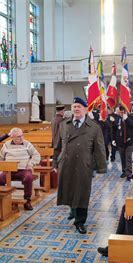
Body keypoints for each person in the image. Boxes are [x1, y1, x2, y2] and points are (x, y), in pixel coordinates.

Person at [53, 97, 107, 234]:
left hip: (84, 165)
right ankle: (73, 209)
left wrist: (101, 168)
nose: (76, 109)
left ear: (85, 109)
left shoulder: (94, 127)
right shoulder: (64, 124)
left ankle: (80, 221)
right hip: (66, 164)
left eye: (79, 106)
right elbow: (58, 145)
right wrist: (55, 162)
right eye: (74, 106)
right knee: (70, 189)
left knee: (82, 193)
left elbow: (99, 148)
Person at [0, 128, 41, 211]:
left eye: (22, 135)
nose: (21, 138)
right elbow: (0, 158)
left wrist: (30, 164)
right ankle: (5, 200)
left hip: (23, 169)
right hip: (8, 170)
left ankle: (27, 200)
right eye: (18, 136)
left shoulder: (27, 144)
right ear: (12, 137)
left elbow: (37, 155)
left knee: (28, 178)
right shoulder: (6, 145)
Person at [113, 105, 133, 179]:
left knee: (128, 158)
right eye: (119, 112)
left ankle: (129, 174)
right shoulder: (117, 118)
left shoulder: (132, 117)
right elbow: (114, 129)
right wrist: (113, 139)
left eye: (122, 112)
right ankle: (124, 171)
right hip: (120, 142)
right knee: (122, 158)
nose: (121, 113)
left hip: (129, 142)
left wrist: (127, 119)